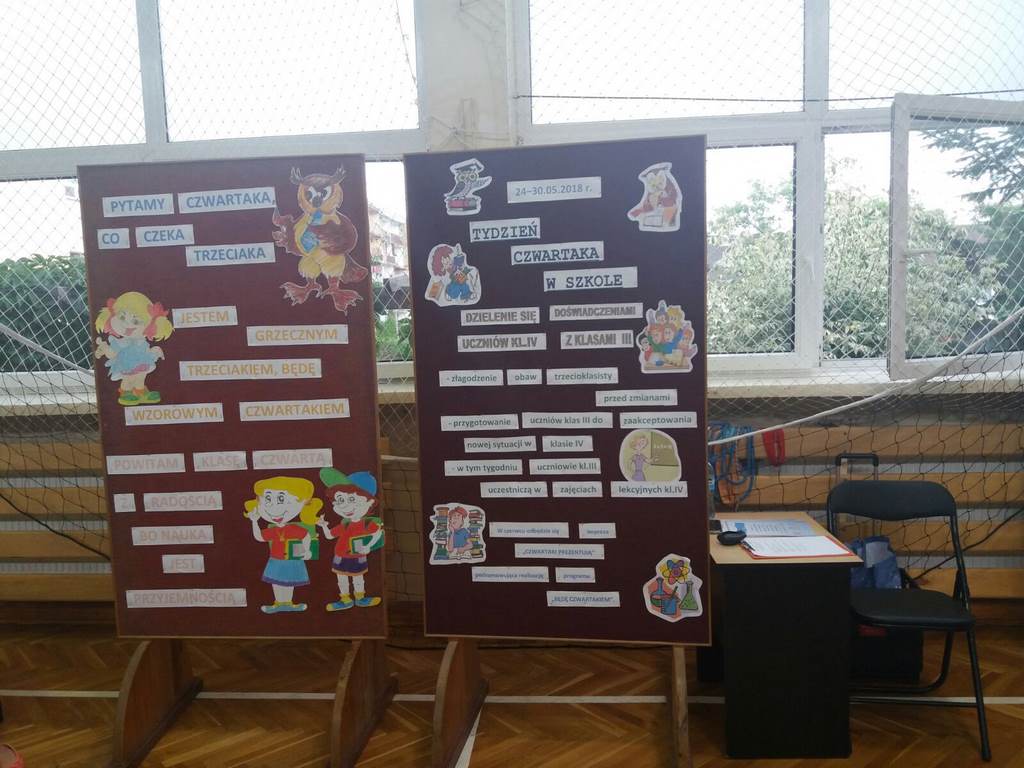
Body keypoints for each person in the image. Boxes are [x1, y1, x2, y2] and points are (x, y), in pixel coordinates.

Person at [244, 477, 321, 614]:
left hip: (292, 559)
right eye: (268, 500)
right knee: (276, 583)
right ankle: (279, 603)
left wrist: (307, 551)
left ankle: (288, 603)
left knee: (289, 583)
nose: (275, 509)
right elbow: (259, 537)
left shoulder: (295, 529)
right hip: (276, 560)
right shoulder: (273, 530)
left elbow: (306, 537)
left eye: (281, 500)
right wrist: (254, 522)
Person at [317, 468, 384, 611]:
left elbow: (378, 533)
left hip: (358, 556)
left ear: (369, 502)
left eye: (352, 499)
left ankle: (360, 598)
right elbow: (329, 536)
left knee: (358, 579)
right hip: (340, 556)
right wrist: (323, 526)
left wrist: (369, 546)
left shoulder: (367, 523)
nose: (345, 505)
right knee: (342, 579)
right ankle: (345, 600)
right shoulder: (345, 524)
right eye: (340, 500)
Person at [93, 291, 173, 405]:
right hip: (126, 364)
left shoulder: (141, 341)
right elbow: (112, 354)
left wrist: (154, 351)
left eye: (135, 321)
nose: (128, 325)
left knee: (141, 377)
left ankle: (140, 391)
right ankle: (126, 392)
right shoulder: (121, 342)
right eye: (122, 317)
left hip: (142, 362)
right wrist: (104, 348)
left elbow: (145, 351)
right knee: (129, 379)